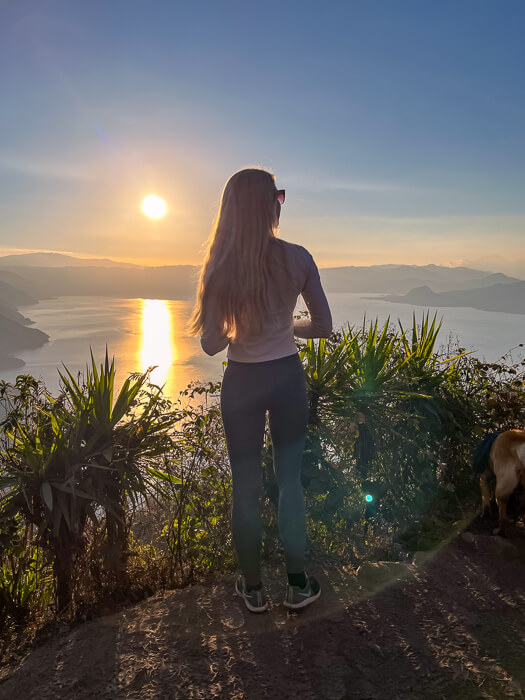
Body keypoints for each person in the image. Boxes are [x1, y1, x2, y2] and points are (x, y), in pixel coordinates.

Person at [189, 167, 332, 612]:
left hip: (243, 382)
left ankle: (252, 590)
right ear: (271, 206)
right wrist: (286, 326)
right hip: (287, 377)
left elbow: (211, 344)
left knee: (245, 486)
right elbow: (323, 327)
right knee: (289, 482)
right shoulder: (298, 257)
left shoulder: (219, 267)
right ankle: (297, 584)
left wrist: (240, 331)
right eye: (280, 197)